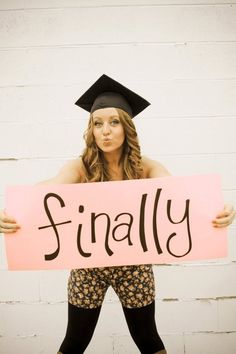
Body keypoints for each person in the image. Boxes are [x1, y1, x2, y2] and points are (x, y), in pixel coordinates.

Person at [0, 74, 235, 354]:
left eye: (113, 122)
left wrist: (218, 210)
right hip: (88, 267)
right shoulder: (80, 167)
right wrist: (13, 209)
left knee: (148, 339)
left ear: (127, 128)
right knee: (74, 342)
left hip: (134, 266)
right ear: (91, 131)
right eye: (97, 124)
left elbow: (180, 193)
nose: (105, 131)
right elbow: (49, 188)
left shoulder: (145, 167)